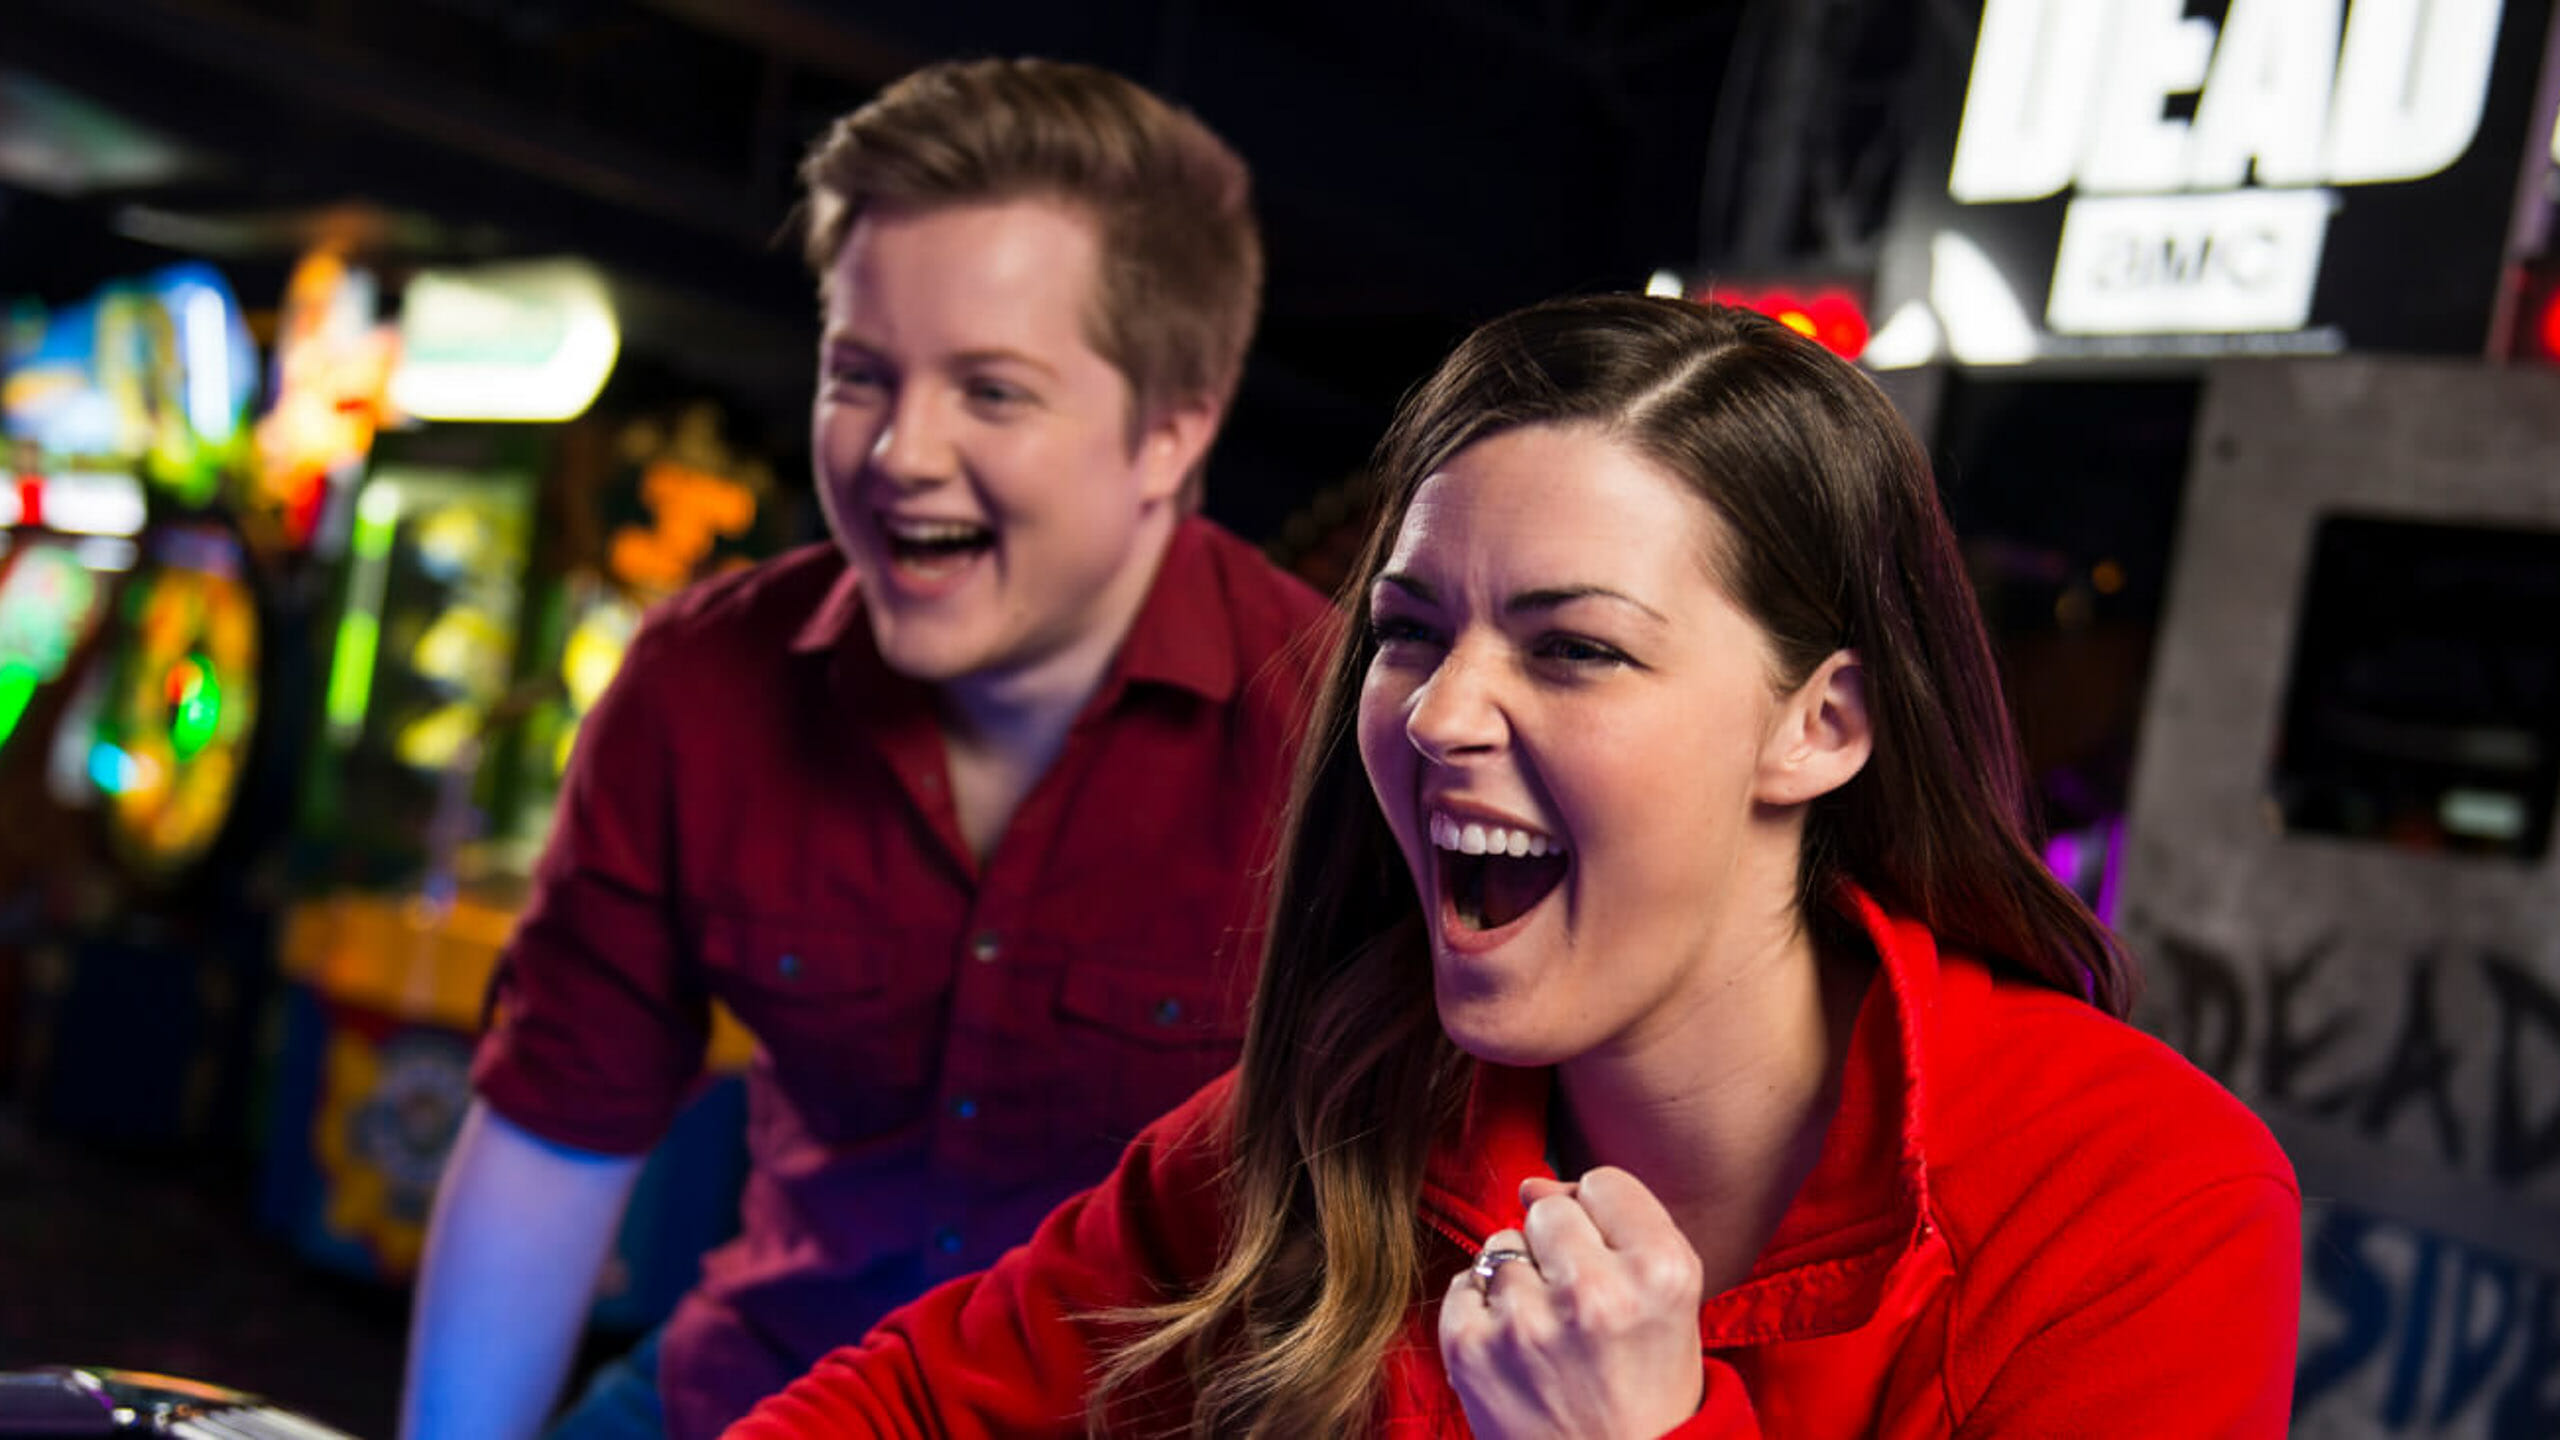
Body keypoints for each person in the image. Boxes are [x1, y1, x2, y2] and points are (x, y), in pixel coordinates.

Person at [727, 295, 2303, 1438]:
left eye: (1575, 648)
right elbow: (899, 1408)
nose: (1439, 712)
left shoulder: (2140, 1212)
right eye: (1410, 633)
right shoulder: (1338, 1119)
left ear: (1819, 727)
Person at [399, 58, 1334, 1440]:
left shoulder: (1339, 740)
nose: (901, 450)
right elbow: (553, 1136)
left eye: (991, 392)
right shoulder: (699, 682)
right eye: (860, 374)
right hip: (757, 1390)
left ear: (1171, 432)